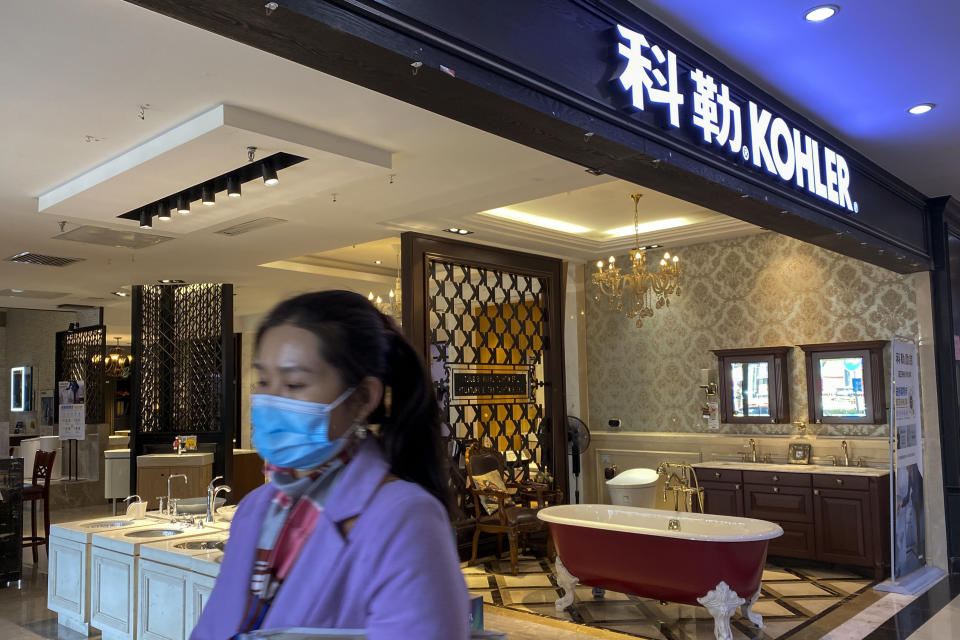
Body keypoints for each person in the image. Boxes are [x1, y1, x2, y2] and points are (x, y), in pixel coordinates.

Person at [191, 291, 469, 640]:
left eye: (293, 384)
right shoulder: (254, 511)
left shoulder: (404, 519)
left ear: (363, 398)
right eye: (263, 382)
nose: (270, 400)